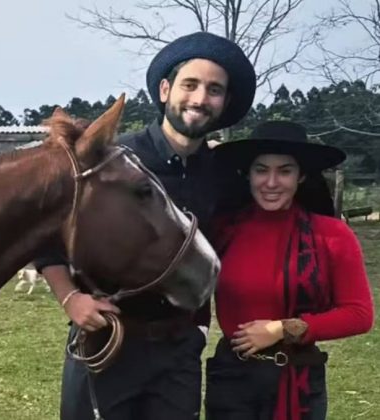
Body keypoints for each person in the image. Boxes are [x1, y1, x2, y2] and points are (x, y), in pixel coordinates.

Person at [34, 31, 256, 420]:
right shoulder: (114, 161)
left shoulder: (225, 175)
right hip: (107, 341)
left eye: (214, 90)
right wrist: (71, 299)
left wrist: (202, 328)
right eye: (190, 85)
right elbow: (48, 238)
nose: (201, 99)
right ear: (166, 90)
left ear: (225, 103)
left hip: (179, 350)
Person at [205, 121, 375, 420]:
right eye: (261, 170)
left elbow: (359, 315)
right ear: (247, 174)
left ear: (302, 176)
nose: (271, 182)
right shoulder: (223, 231)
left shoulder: (332, 235)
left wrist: (281, 329)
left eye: (284, 170)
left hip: (298, 381)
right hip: (231, 380)